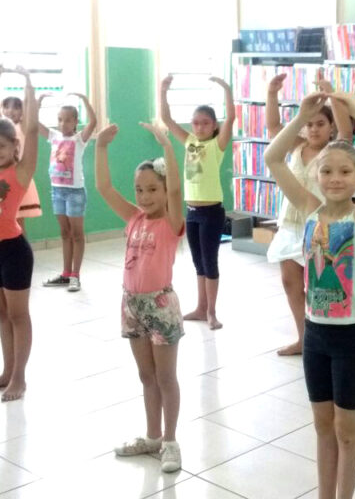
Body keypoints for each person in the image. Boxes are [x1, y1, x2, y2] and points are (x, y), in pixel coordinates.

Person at [264, 91, 355, 499]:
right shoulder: (308, 209)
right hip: (317, 337)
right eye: (327, 172)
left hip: (351, 339)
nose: (335, 179)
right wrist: (301, 115)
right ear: (316, 177)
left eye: (345, 172)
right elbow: (273, 158)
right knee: (322, 427)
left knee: (346, 430)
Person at [96, 122, 185, 473]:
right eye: (139, 189)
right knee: (146, 376)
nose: (144, 196)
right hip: (131, 305)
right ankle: (152, 437)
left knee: (166, 378)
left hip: (160, 306)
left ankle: (171, 441)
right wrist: (101, 148)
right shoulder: (133, 217)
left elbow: (178, 191)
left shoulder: (172, 222)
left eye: (152, 189)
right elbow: (104, 187)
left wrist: (167, 146)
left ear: (164, 191)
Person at [265, 73, 352, 356]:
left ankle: (321, 340)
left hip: (319, 228)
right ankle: (303, 338)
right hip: (291, 224)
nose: (314, 129)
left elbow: (347, 133)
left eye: (320, 124)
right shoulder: (295, 146)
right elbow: (275, 128)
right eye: (310, 124)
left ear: (329, 128)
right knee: (290, 282)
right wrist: (272, 95)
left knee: (318, 288)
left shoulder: (333, 151)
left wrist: (332, 96)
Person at [160, 75, 235, 330]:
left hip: (211, 212)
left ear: (214, 126)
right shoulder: (190, 141)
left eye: (205, 123)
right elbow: (167, 120)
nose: (200, 127)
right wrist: (163, 91)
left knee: (210, 262)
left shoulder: (217, 145)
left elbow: (231, 119)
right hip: (191, 212)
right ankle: (201, 308)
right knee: (198, 263)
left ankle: (212, 312)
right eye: (196, 123)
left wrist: (226, 89)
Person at [0, 67, 40, 402]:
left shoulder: (20, 171)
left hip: (13, 250)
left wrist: (28, 87)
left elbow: (30, 129)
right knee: (1, 314)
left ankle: (20, 378)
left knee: (17, 314)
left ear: (14, 146)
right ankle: (7, 369)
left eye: (2, 146)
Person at [38, 92, 98, 292]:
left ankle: (75, 275)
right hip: (57, 191)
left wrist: (85, 100)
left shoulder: (80, 139)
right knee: (65, 233)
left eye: (68, 120)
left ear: (75, 122)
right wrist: (38, 102)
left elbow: (94, 121)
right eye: (60, 120)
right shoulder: (53, 137)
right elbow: (35, 125)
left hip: (75, 193)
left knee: (77, 234)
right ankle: (65, 273)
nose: (63, 124)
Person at [1, 96, 41, 231]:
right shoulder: (2, 129)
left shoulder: (22, 127)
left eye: (16, 108)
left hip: (18, 177)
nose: (10, 111)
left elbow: (32, 125)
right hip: (4, 178)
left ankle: (19, 248)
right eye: (6, 107)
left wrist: (29, 89)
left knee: (17, 221)